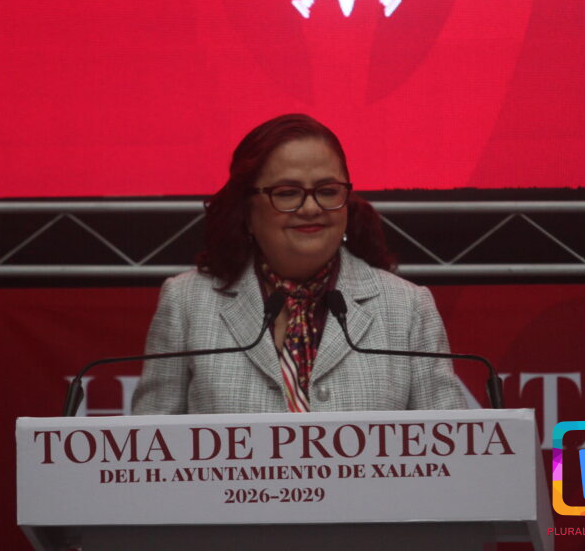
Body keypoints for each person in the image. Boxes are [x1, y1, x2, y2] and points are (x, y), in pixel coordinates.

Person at [131, 114, 464, 414]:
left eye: (327, 191)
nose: (310, 208)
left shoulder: (407, 307)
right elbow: (149, 448)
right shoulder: (187, 302)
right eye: (287, 193)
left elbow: (451, 445)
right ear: (247, 210)